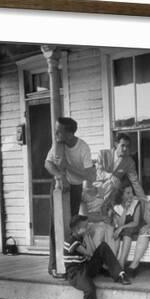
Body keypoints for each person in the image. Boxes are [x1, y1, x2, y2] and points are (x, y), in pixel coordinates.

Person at [64, 215, 132, 299]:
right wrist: (88, 238)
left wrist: (87, 238)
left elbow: (93, 253)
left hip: (85, 267)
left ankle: (120, 274)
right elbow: (89, 253)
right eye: (86, 226)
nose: (89, 227)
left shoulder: (80, 237)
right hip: (75, 273)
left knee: (103, 247)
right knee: (89, 289)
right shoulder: (72, 241)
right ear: (78, 229)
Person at [45, 117, 96, 278]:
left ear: (69, 133)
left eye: (59, 131)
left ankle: (69, 262)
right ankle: (54, 265)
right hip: (59, 187)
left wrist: (69, 168)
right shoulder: (58, 145)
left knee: (71, 225)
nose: (55, 133)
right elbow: (48, 163)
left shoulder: (83, 148)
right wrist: (60, 175)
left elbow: (90, 175)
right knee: (56, 224)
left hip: (75, 188)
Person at [96, 133, 147, 207]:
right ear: (116, 144)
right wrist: (110, 176)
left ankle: (108, 209)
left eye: (127, 146)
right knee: (112, 183)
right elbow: (98, 172)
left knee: (120, 189)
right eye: (122, 145)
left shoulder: (129, 162)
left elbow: (135, 181)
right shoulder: (103, 154)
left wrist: (143, 199)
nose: (125, 149)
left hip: (112, 190)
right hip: (97, 186)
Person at [112, 179, 142, 267]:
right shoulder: (117, 207)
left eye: (132, 192)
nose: (131, 195)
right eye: (128, 193)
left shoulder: (136, 203)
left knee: (127, 231)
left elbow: (136, 222)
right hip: (124, 228)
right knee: (115, 235)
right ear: (121, 195)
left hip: (134, 227)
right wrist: (125, 209)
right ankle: (113, 263)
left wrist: (121, 228)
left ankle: (121, 263)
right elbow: (120, 224)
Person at [80, 180, 116, 252]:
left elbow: (106, 209)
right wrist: (102, 218)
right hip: (89, 223)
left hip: (102, 220)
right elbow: (84, 217)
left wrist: (108, 216)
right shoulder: (82, 192)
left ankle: (110, 260)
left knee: (110, 229)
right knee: (100, 230)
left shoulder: (100, 188)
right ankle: (95, 258)